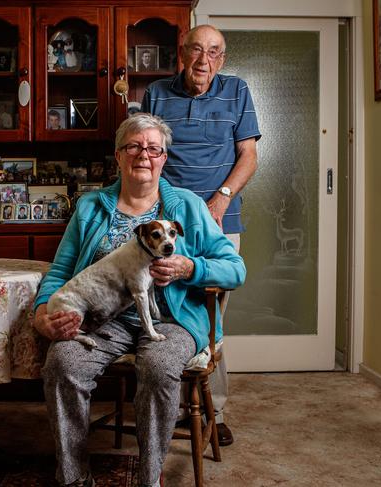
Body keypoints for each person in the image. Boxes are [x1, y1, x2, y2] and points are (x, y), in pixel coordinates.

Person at [34, 113, 245, 487]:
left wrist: (189, 268)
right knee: (62, 362)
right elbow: (59, 270)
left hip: (172, 320)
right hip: (102, 322)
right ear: (118, 156)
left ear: (164, 157)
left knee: (158, 366)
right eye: (133, 146)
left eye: (153, 148)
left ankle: (150, 480)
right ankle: (74, 479)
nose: (143, 155)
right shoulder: (91, 207)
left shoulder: (189, 207)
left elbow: (235, 269)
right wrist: (41, 314)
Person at [142, 24, 261, 447]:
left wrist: (221, 200)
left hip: (220, 220)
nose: (203, 61)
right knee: (167, 308)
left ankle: (216, 408)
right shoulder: (156, 93)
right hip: (167, 223)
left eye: (213, 53)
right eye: (196, 51)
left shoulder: (237, 90)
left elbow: (249, 155)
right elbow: (149, 151)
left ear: (222, 59)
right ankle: (172, 406)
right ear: (181, 53)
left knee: (211, 315)